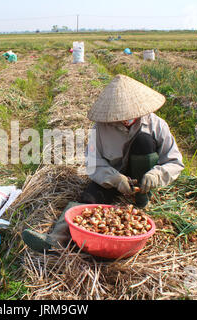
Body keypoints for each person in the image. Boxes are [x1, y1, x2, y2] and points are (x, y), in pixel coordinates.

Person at [22, 74, 184, 253]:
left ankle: (142, 200)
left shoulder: (156, 124)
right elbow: (93, 162)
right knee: (88, 200)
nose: (126, 118)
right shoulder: (100, 128)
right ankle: (55, 240)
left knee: (144, 142)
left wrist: (156, 175)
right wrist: (114, 179)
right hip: (114, 175)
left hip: (144, 177)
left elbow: (174, 161)